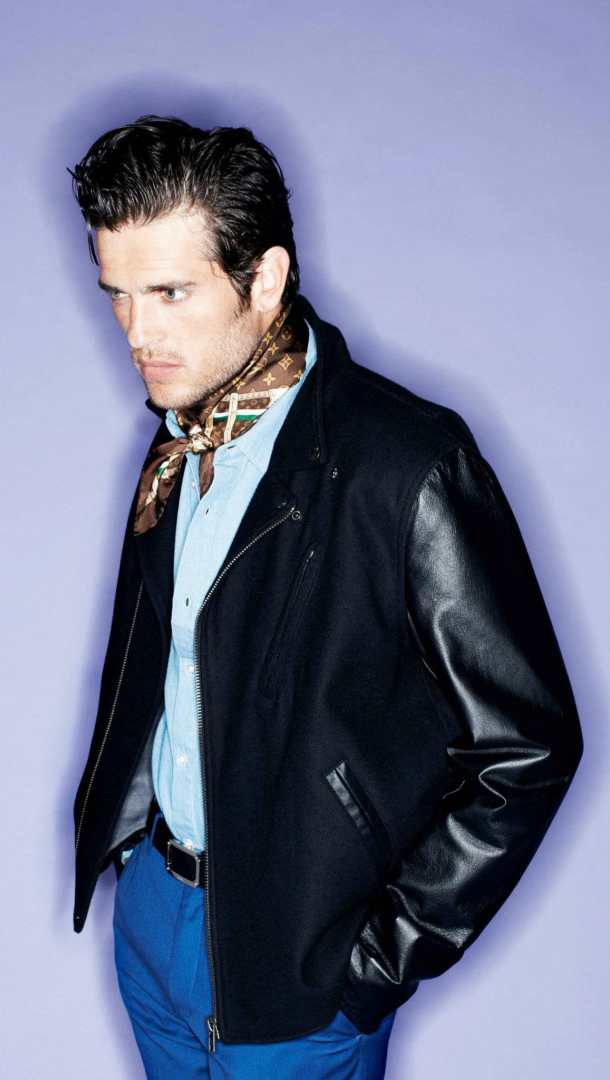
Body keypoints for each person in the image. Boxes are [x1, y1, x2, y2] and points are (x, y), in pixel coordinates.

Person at [68, 116, 582, 1079]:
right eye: (119, 295)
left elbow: (530, 746)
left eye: (170, 292)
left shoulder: (408, 465)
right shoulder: (178, 442)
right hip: (154, 919)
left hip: (298, 965)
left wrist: (377, 962)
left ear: (263, 279)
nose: (137, 333)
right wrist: (128, 856)